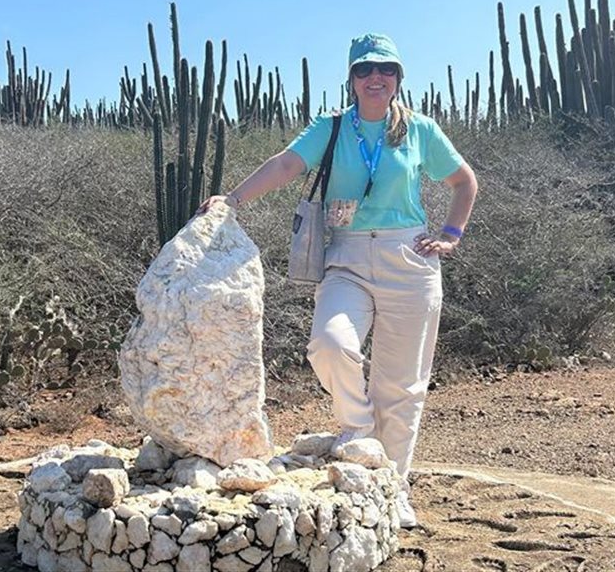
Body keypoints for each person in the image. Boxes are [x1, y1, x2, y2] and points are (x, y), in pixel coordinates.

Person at [199, 33, 478, 527]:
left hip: (408, 259)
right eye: (366, 70)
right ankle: (358, 430)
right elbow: (287, 164)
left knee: (402, 385)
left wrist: (451, 235)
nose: (377, 78)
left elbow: (464, 181)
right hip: (345, 255)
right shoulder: (328, 129)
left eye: (386, 70)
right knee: (329, 344)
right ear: (351, 79)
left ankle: (394, 487)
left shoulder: (420, 130)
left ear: (398, 79)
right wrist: (233, 199)